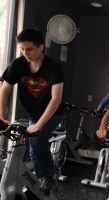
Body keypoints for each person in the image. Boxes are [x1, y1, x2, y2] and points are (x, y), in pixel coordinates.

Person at [0, 28, 65, 192]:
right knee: (33, 145)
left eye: (29, 49)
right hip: (34, 113)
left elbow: (56, 98)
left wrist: (39, 125)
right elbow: (4, 90)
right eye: (22, 49)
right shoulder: (18, 64)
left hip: (53, 112)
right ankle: (40, 177)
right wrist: (1, 115)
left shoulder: (53, 67)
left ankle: (49, 176)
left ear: (41, 47)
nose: (25, 53)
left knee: (37, 141)